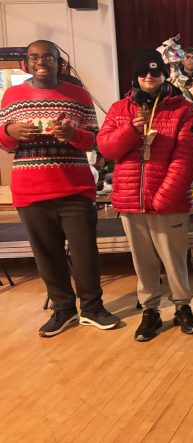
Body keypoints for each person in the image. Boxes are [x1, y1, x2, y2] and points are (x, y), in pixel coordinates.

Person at [0, 39, 119, 336]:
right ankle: (63, 310)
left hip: (75, 188)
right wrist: (10, 131)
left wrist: (72, 133)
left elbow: (94, 139)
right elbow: (5, 143)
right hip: (30, 190)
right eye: (34, 57)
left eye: (48, 57)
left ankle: (92, 308)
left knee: (85, 253)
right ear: (26, 62)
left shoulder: (79, 95)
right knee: (47, 255)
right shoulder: (11, 95)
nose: (42, 61)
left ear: (59, 62)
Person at [97, 48, 193, 342]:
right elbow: (106, 149)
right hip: (131, 201)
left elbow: (187, 157)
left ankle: (182, 307)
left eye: (156, 72)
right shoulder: (120, 110)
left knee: (174, 259)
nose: (150, 77)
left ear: (164, 75)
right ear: (135, 76)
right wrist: (131, 130)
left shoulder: (183, 108)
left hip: (167, 201)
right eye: (144, 72)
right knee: (143, 262)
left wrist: (165, 194)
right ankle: (150, 311)